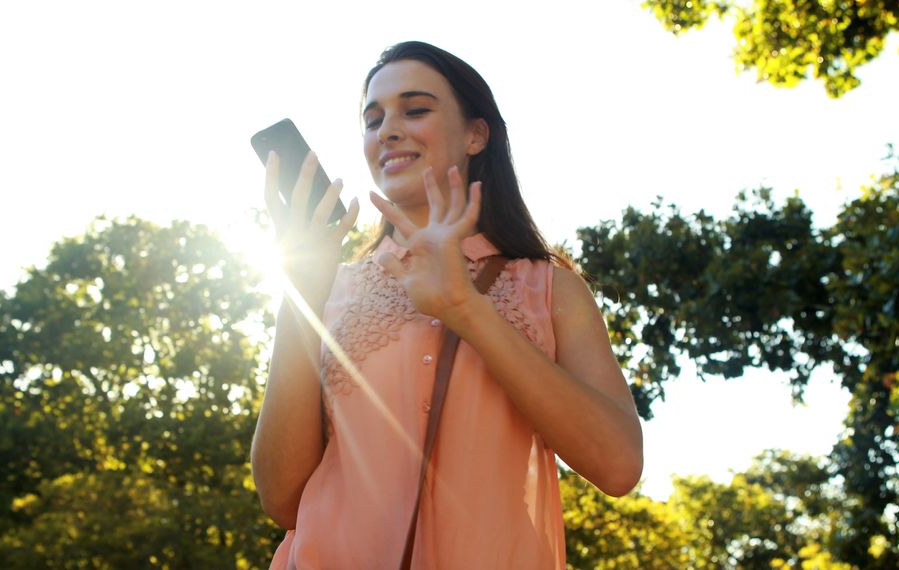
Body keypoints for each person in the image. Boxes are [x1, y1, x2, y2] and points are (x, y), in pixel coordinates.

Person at [251, 41, 643, 569]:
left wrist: (466, 309)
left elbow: (617, 465)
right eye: (373, 119)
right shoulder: (328, 291)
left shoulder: (551, 289)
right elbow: (281, 497)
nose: (387, 130)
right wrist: (298, 293)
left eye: (415, 109)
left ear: (476, 134)